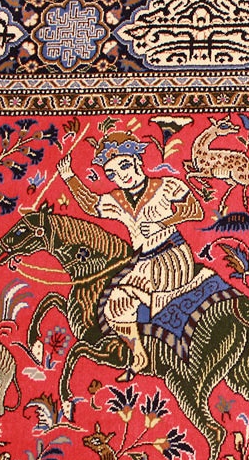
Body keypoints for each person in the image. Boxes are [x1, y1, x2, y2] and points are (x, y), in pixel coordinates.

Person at [57, 132, 209, 379]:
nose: (122, 176)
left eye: (125, 166)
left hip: (172, 256)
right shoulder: (115, 200)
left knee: (136, 295)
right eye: (112, 174)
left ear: (138, 161)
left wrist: (164, 222)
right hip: (143, 262)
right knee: (113, 306)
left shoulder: (166, 185)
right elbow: (90, 204)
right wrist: (69, 177)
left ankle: (157, 309)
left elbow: (195, 210)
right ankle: (140, 356)